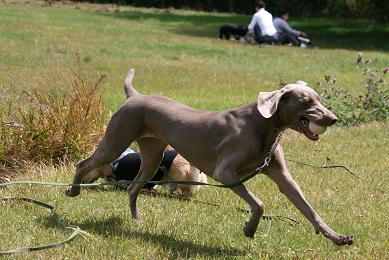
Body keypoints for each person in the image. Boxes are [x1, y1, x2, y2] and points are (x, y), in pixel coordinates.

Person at [82, 148, 208, 197]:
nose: (85, 178)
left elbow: (126, 184)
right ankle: (195, 168)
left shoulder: (121, 169)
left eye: (88, 172)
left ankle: (194, 166)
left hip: (174, 164)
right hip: (173, 160)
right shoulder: (122, 162)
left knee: (187, 187)